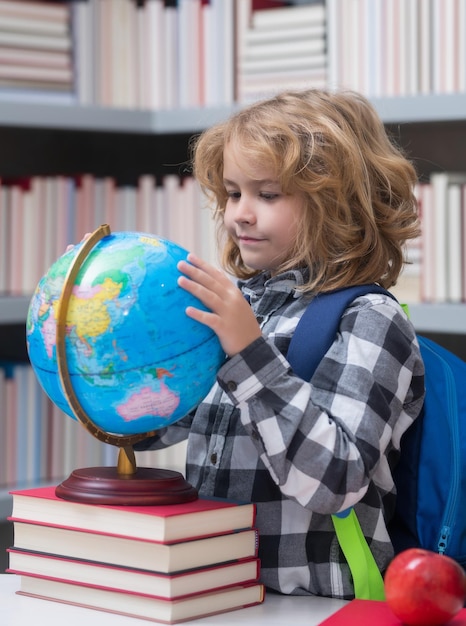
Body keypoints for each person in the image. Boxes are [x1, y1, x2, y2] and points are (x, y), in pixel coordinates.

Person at [135, 89, 425, 599]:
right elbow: (156, 430)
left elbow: (336, 481)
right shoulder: (236, 305)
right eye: (232, 192)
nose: (240, 214)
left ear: (338, 206)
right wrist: (102, 370)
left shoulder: (369, 319)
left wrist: (249, 356)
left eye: (267, 195)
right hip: (219, 590)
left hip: (317, 602)